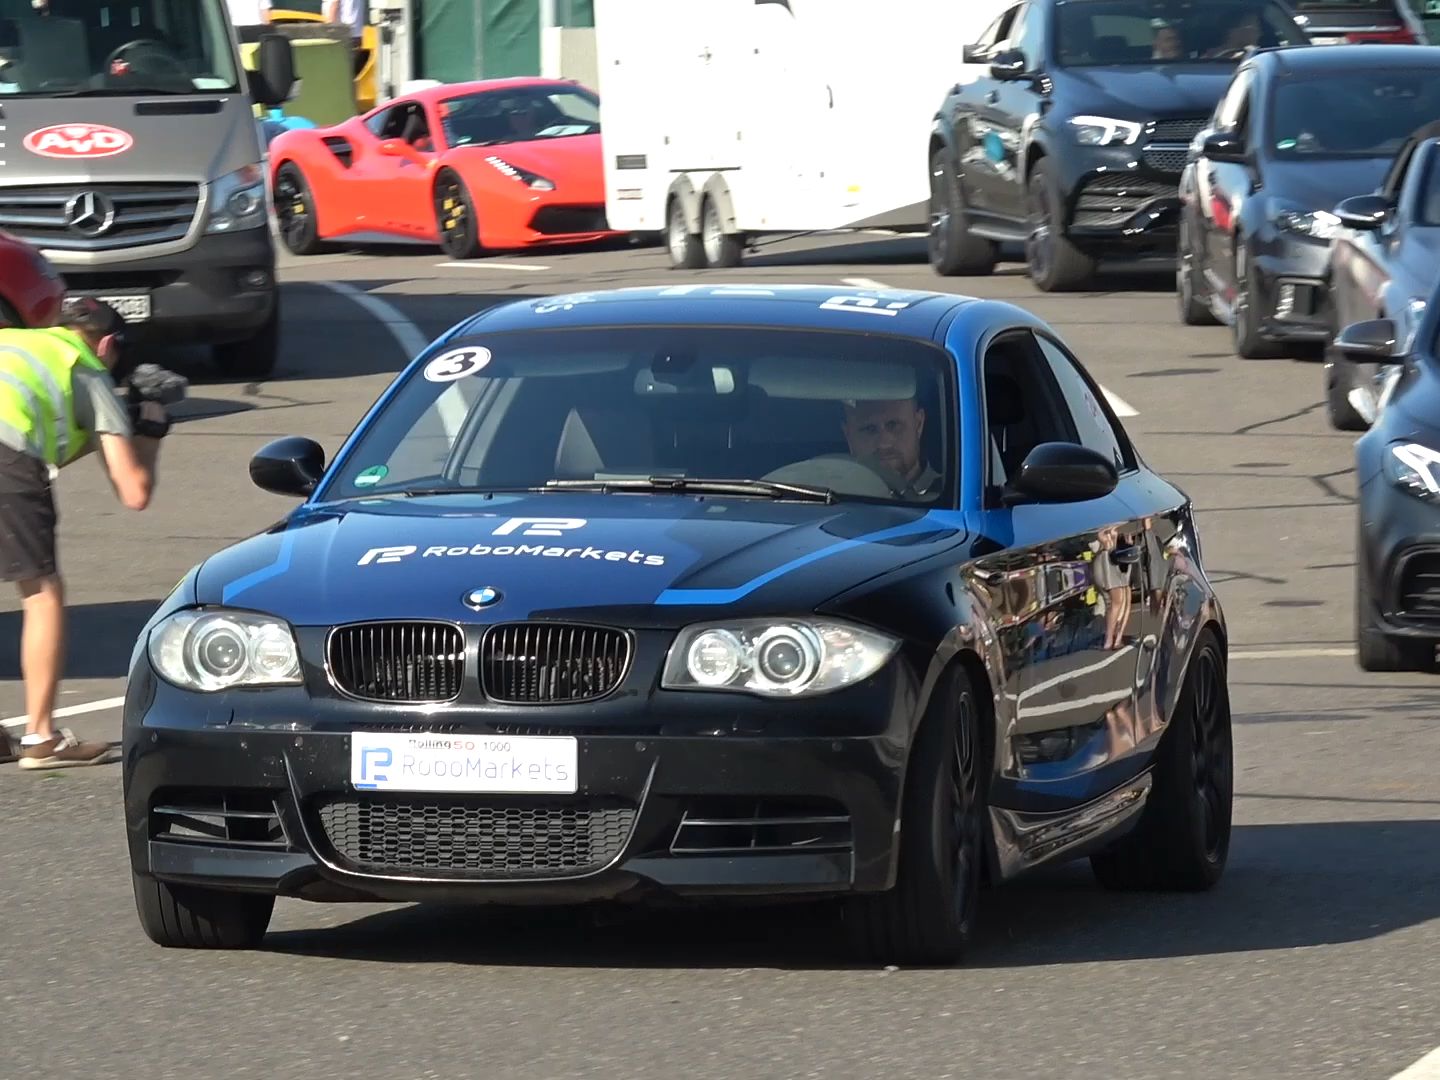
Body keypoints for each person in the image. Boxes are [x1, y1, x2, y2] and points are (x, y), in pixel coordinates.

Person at [0, 297, 170, 770]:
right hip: (5, 461)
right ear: (109, 344)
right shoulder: (85, 367)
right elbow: (133, 492)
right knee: (41, 593)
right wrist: (150, 432)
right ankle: (41, 738)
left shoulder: (14, 342)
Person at [840, 397, 941, 499]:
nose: (883, 444)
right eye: (869, 429)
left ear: (918, 424)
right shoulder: (834, 497)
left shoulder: (950, 498)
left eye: (893, 425)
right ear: (848, 435)